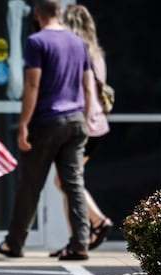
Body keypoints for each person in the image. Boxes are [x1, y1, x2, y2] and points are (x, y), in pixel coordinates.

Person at [0, 0, 93, 260]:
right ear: (59, 12)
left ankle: (14, 243)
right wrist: (87, 119)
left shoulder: (37, 41)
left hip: (48, 121)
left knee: (31, 184)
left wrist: (23, 124)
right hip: (76, 120)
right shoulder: (78, 42)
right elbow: (88, 86)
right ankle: (80, 242)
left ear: (36, 14)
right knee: (74, 184)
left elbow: (33, 86)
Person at [49, 4, 112, 257]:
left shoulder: (77, 52)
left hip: (84, 126)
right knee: (68, 182)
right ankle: (76, 239)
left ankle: (97, 221)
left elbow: (84, 92)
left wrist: (80, 126)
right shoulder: (96, 54)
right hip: (97, 126)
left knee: (65, 181)